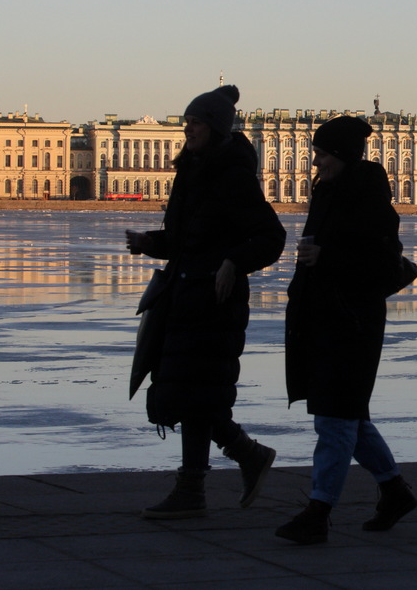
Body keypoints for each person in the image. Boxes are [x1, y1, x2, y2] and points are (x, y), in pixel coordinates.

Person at [125, 85, 287, 519]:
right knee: (187, 394)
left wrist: (234, 262)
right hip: (183, 299)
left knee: (195, 396)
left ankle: (211, 478)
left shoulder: (233, 176)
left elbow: (271, 238)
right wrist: (148, 242)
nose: (187, 128)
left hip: (216, 305)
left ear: (214, 127)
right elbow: (183, 240)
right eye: (187, 121)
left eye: (195, 121)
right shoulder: (192, 172)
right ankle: (218, 475)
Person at [275, 115, 416, 544]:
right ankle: (394, 492)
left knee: (335, 420)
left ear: (341, 155)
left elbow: (382, 264)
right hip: (323, 315)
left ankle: (318, 512)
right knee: (348, 416)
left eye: (322, 154)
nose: (315, 162)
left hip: (353, 322)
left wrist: (326, 258)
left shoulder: (370, 202)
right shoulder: (329, 193)